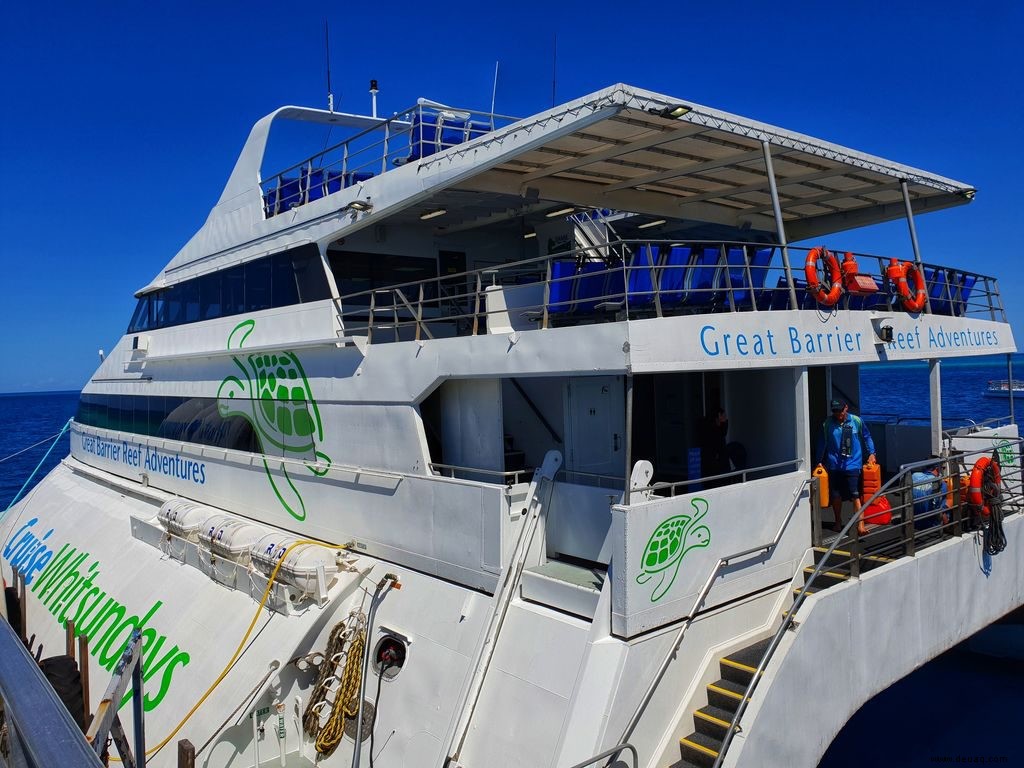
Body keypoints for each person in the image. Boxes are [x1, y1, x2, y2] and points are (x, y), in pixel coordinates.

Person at [819, 399, 876, 535]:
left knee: (855, 494)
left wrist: (872, 453)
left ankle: (860, 525)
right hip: (834, 464)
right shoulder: (827, 424)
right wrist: (819, 460)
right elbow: (822, 442)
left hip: (853, 464)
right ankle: (838, 522)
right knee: (836, 495)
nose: (838, 413)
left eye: (840, 410)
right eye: (835, 411)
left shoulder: (856, 421)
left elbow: (867, 436)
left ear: (846, 408)